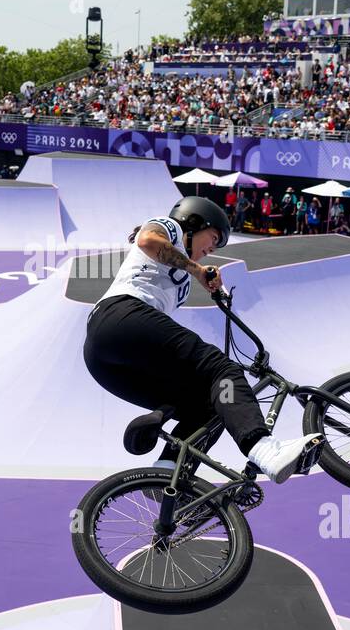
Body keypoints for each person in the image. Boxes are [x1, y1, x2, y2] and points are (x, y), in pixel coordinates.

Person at [83, 197, 323, 485]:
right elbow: (149, 241)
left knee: (210, 404)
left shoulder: (182, 283)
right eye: (213, 238)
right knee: (224, 371)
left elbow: (164, 342)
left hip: (107, 362)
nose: (212, 249)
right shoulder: (169, 227)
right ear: (194, 223)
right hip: (119, 315)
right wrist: (197, 271)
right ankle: (264, 449)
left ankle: (168, 472)